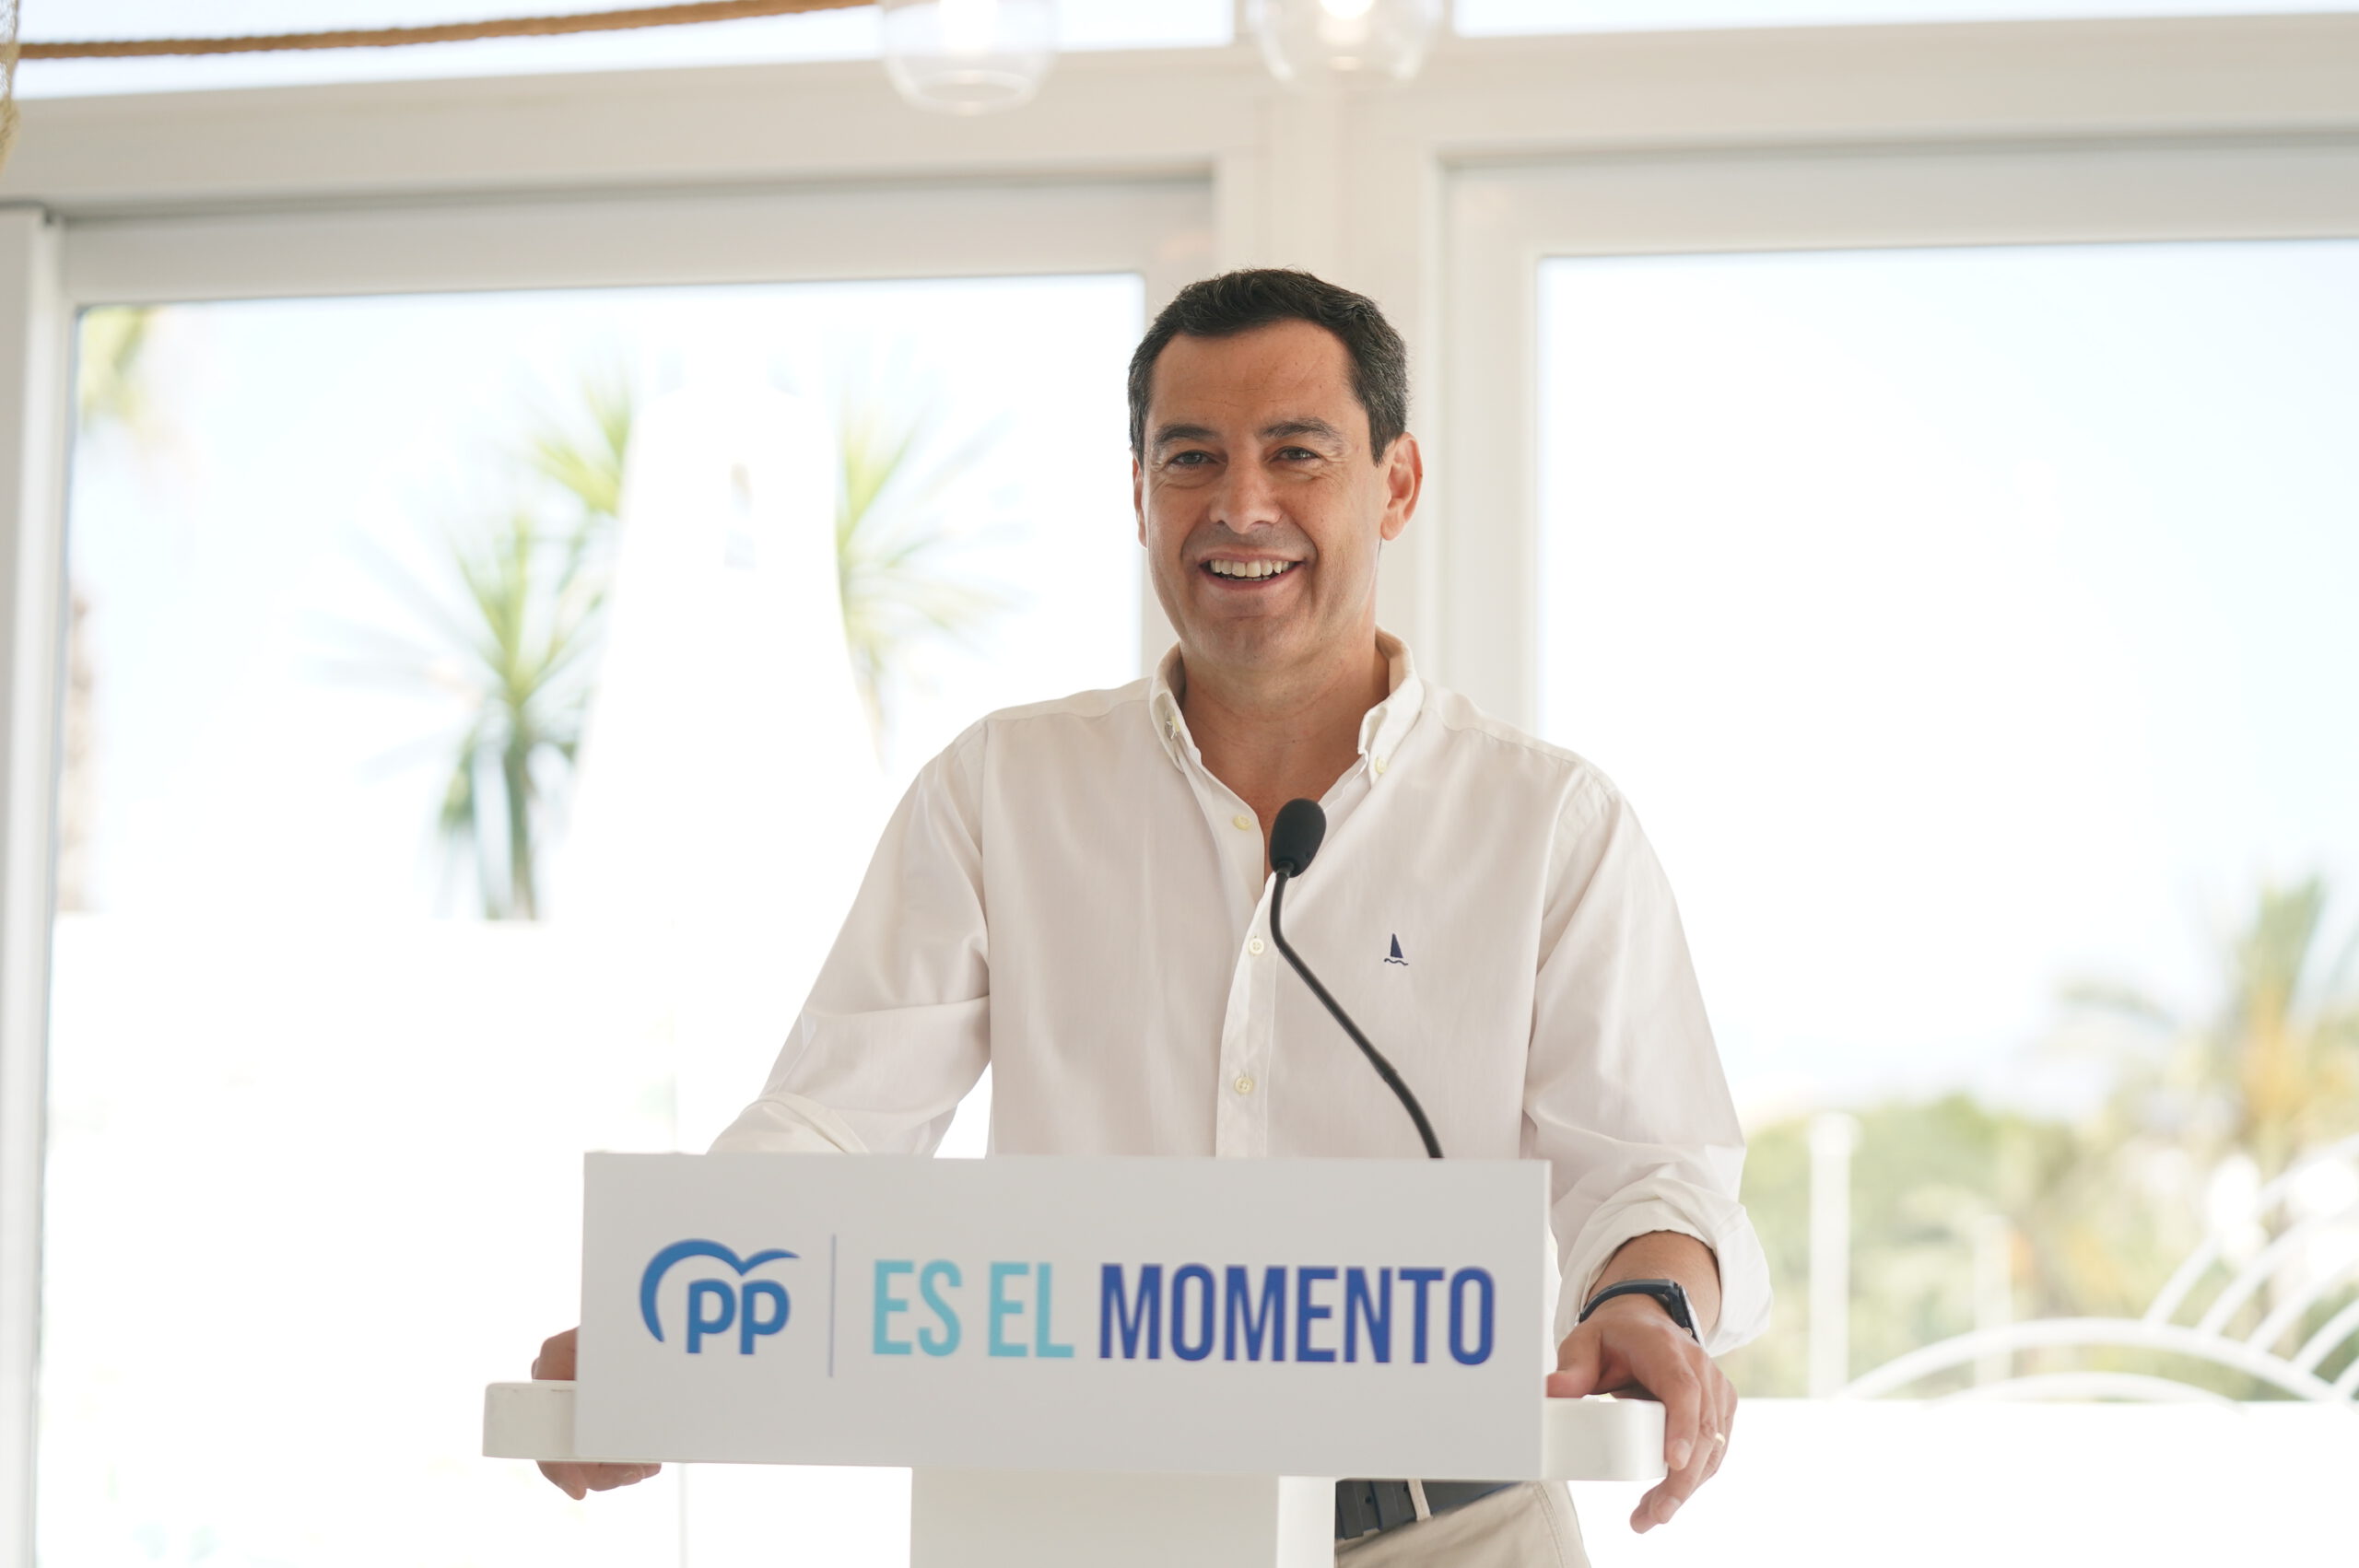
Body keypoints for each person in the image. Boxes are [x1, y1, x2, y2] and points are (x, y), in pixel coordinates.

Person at [531, 268, 1769, 1565]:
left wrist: (1646, 1299)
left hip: (1453, 1532)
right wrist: (664, 1322)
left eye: (1297, 453)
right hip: (1076, 1523)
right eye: (1191, 458)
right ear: (1138, 494)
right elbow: (837, 1120)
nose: (1242, 505)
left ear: (1396, 484)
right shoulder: (1001, 788)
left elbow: (1651, 1168)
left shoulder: (1548, 821)